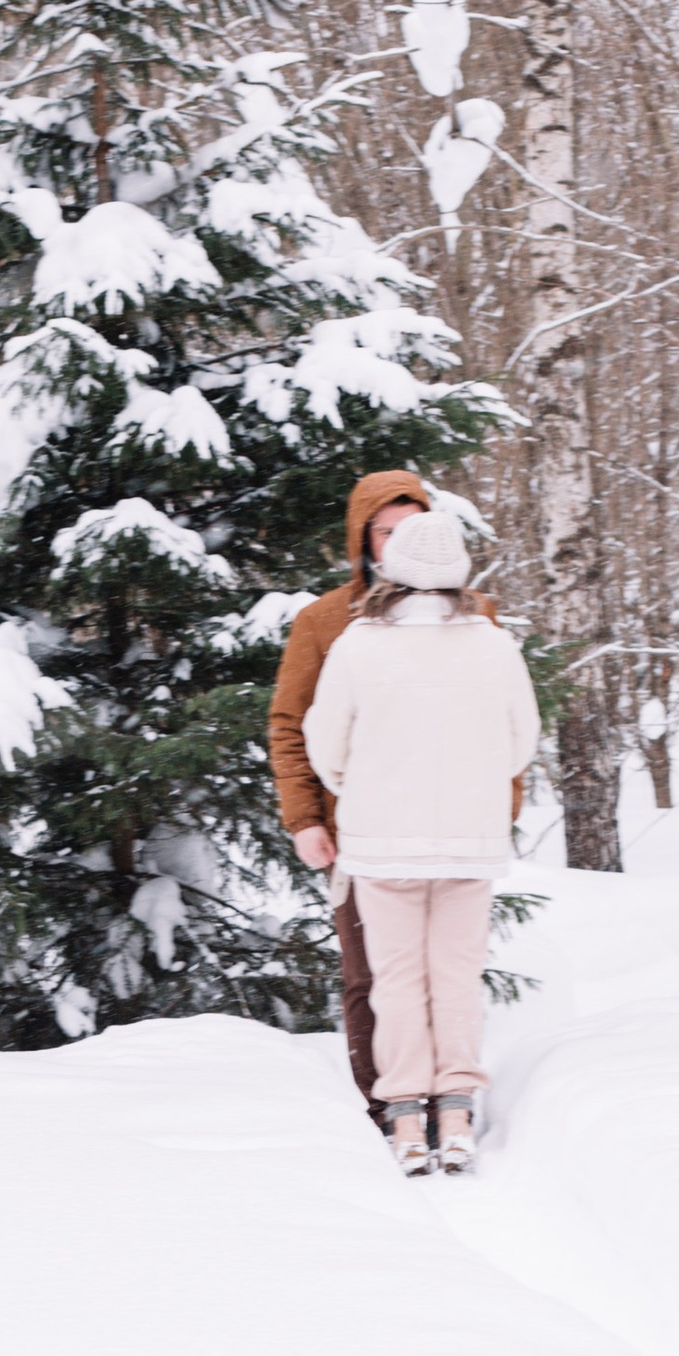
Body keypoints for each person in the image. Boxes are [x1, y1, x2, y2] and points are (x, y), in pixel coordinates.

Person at [267, 469, 530, 1137]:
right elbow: (293, 724)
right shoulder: (328, 623)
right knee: (372, 977)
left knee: (445, 971)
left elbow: (505, 727)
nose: (396, 542)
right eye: (385, 530)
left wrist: (500, 804)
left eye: (410, 528)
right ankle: (388, 1107)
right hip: (357, 829)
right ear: (363, 538)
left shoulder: (479, 621)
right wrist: (304, 819)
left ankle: (445, 1103)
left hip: (454, 825)